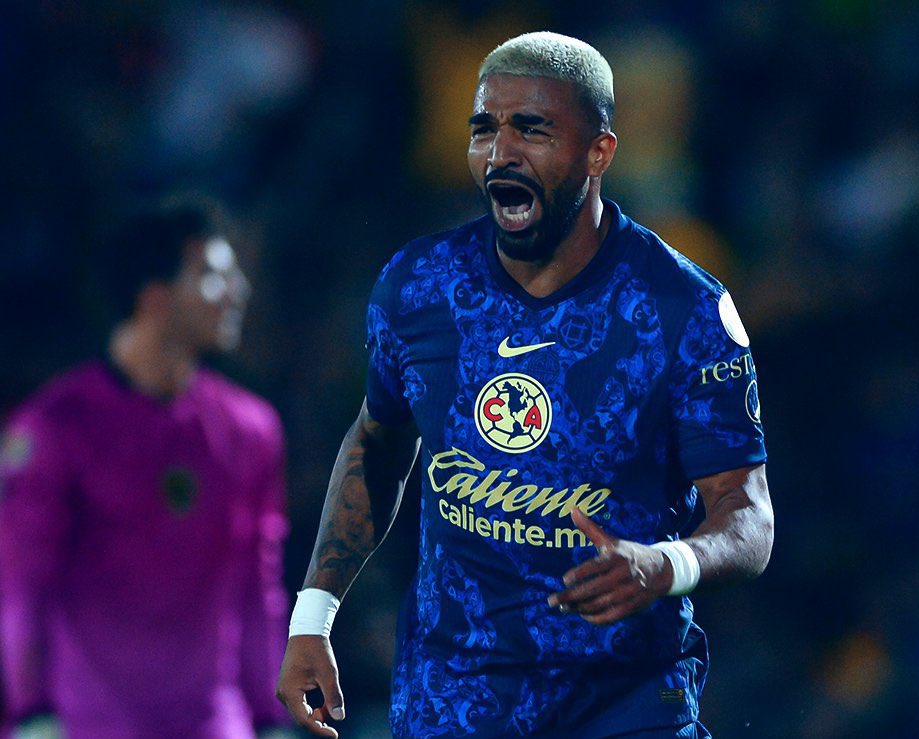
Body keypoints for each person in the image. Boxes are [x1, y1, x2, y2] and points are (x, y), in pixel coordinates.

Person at [277, 32, 774, 738]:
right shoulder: (419, 288)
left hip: (625, 704)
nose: (501, 152)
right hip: (454, 698)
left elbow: (749, 515)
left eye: (531, 129)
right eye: (485, 128)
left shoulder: (681, 309)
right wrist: (313, 617)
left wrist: (668, 563)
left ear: (599, 151)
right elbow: (377, 441)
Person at [0, 197, 294, 739]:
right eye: (213, 274)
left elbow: (257, 587)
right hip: (86, 723)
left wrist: (269, 715)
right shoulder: (54, 428)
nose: (238, 291)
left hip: (210, 722)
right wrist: (30, 711)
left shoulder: (250, 430)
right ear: (155, 296)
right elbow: (21, 586)